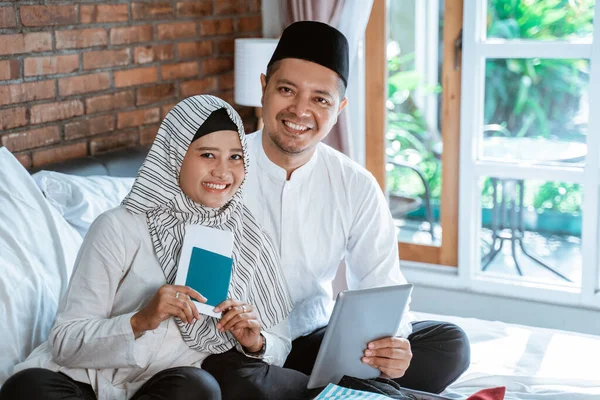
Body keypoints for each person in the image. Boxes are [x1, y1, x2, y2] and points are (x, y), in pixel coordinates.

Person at [202, 21, 470, 397]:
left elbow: (382, 283)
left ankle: (335, 391)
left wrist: (394, 345)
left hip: (317, 345)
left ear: (339, 108)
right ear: (264, 87)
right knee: (230, 377)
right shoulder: (216, 170)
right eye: (286, 90)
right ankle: (361, 393)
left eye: (320, 99)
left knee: (449, 344)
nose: (300, 110)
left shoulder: (354, 183)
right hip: (243, 350)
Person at [0, 95, 293, 400]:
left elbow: (281, 344)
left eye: (236, 157)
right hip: (80, 382)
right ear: (174, 155)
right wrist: (140, 320)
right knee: (26, 389)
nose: (223, 171)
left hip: (160, 389)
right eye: (208, 155)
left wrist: (254, 342)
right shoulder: (119, 226)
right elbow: (65, 342)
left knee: (200, 390)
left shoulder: (249, 238)